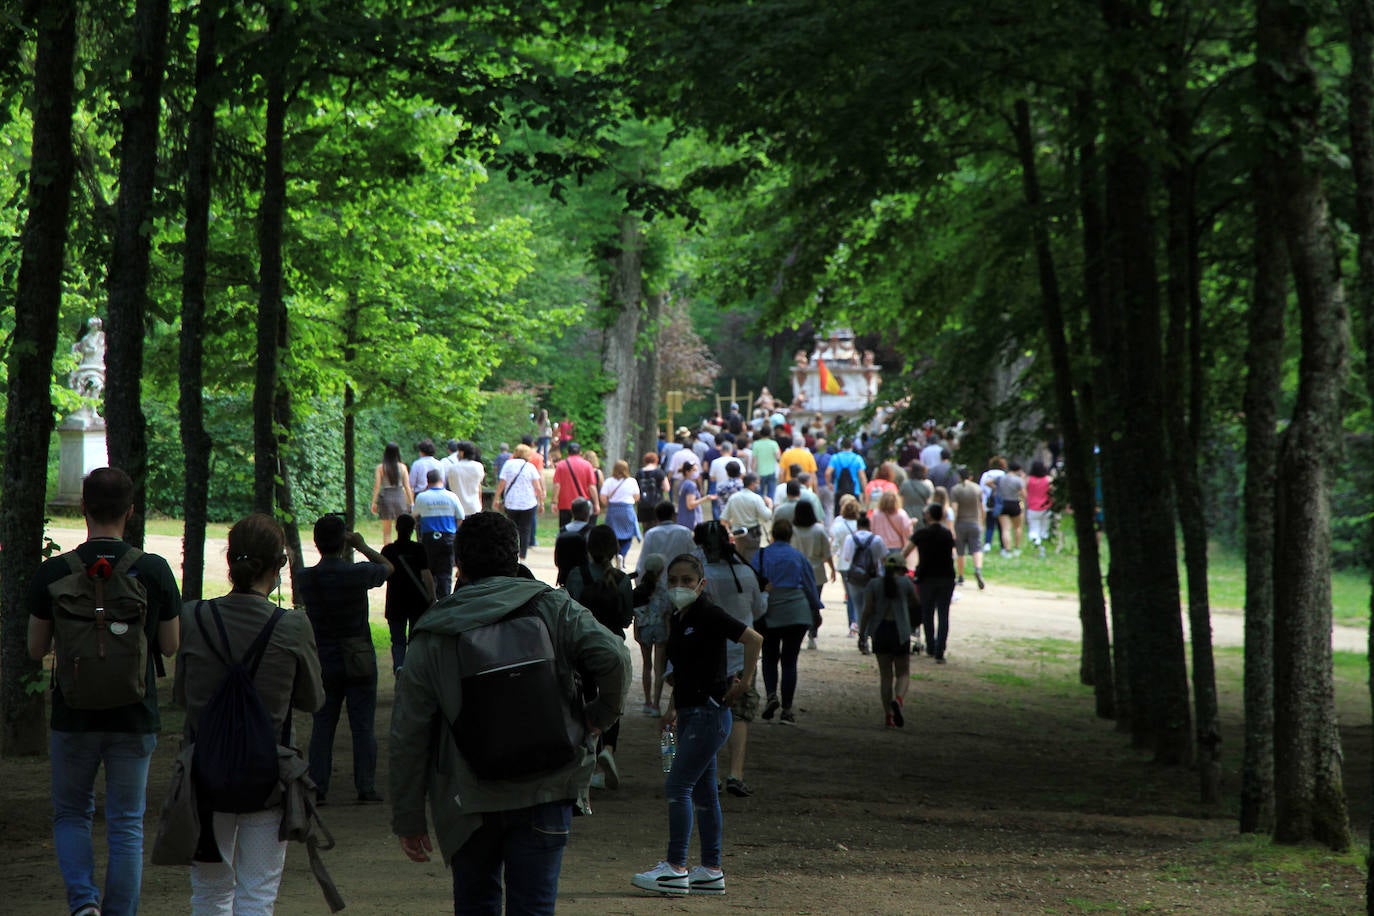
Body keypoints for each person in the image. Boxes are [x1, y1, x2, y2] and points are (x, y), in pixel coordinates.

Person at [391, 512, 631, 914]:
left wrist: (409, 816)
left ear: (458, 565)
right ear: (516, 555)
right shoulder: (553, 607)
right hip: (547, 786)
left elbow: (409, 732)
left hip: (467, 798)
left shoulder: (433, 632)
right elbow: (616, 658)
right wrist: (598, 716)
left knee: (476, 903)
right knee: (535, 907)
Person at [27, 468, 181, 916]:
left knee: (72, 814)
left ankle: (83, 904)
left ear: (83, 509)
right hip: (135, 716)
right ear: (130, 513)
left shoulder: (53, 573)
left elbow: (36, 649)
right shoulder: (152, 570)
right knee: (126, 824)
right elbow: (170, 647)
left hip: (72, 717)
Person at [172, 513, 325, 912]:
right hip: (268, 773)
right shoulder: (292, 626)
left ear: (230, 562)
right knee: (258, 893)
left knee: (208, 892)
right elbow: (312, 700)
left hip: (204, 773)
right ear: (278, 566)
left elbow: (182, 697)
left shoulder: (193, 617)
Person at [632, 554, 762, 897]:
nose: (679, 586)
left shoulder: (708, 612)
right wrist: (671, 708)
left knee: (678, 786)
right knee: (704, 794)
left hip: (710, 712)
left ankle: (675, 867)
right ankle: (710, 869)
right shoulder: (679, 616)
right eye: (673, 580)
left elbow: (753, 639)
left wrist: (745, 682)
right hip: (690, 712)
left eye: (687, 580)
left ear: (701, 583)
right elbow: (683, 669)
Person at [298, 515, 393, 805]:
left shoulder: (305, 577)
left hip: (323, 658)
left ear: (316, 543)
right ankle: (365, 786)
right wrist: (362, 545)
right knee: (362, 725)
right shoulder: (356, 573)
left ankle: (319, 787)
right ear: (343, 541)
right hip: (358, 656)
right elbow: (388, 568)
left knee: (323, 726)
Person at [696, 521, 764, 798]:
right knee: (739, 716)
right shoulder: (747, 574)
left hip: (708, 657)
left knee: (706, 714)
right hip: (741, 657)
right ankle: (736, 773)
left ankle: (706, 774)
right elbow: (758, 610)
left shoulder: (701, 577)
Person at [565, 525, 635, 789]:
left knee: (583, 700)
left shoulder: (576, 575)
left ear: (588, 548)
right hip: (613, 646)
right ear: (616, 549)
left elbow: (569, 610)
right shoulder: (622, 579)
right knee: (611, 702)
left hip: (582, 648)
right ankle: (610, 749)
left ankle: (587, 756)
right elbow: (627, 618)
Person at [750, 519, 821, 724]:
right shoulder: (798, 557)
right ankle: (787, 710)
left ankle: (771, 695)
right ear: (790, 536)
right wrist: (816, 610)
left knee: (770, 657)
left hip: (769, 610)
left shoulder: (761, 555)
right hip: (796, 612)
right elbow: (809, 585)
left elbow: (753, 581)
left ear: (772, 534)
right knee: (790, 661)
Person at [859, 553, 920, 728]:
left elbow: (868, 610)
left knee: (886, 675)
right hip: (900, 631)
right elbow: (916, 603)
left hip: (880, 631)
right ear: (902, 568)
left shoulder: (874, 584)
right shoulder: (906, 583)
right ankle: (899, 699)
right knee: (903, 672)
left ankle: (888, 715)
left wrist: (862, 634)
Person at [903, 504, 958, 663]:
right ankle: (940, 650)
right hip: (946, 577)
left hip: (926, 577)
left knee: (927, 613)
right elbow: (952, 552)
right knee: (943, 614)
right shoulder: (947, 534)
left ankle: (931, 647)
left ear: (928, 516)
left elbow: (906, 552)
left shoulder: (921, 534)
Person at [381, 514, 435, 672]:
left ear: (396, 528)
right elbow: (427, 576)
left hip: (395, 601)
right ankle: (412, 671)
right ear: (413, 529)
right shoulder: (419, 549)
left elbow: (383, 575)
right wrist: (432, 597)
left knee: (397, 641)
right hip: (417, 601)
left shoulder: (388, 550)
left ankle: (399, 668)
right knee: (416, 640)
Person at [414, 468, 465, 600]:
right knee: (446, 572)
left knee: (428, 570)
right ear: (441, 480)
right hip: (448, 537)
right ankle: (445, 600)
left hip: (428, 538)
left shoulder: (422, 497)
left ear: (427, 481)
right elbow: (460, 517)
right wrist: (454, 531)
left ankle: (429, 598)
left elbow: (414, 516)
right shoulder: (452, 496)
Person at [791, 500, 834, 650]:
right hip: (816, 572)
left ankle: (799, 633)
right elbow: (827, 553)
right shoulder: (819, 529)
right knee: (814, 603)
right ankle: (812, 634)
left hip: (796, 572)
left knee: (799, 604)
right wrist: (833, 569)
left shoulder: (792, 529)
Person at [632, 553, 671, 717]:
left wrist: (636, 632)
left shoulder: (639, 590)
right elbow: (667, 613)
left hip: (644, 629)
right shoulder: (664, 590)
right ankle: (656, 705)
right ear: (662, 570)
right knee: (659, 667)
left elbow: (635, 613)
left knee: (646, 665)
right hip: (660, 628)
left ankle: (647, 702)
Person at [495, 443, 545, 559]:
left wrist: (496, 498)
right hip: (528, 502)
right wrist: (541, 502)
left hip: (511, 502)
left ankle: (512, 553)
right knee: (525, 529)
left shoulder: (508, 464)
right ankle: (522, 555)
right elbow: (537, 487)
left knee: (512, 529)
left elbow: (502, 483)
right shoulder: (530, 467)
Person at [829, 495, 863, 636]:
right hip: (861, 564)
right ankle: (860, 623)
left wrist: (834, 555)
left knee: (850, 595)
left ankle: (852, 624)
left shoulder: (838, 525)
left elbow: (834, 546)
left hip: (845, 564)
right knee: (861, 595)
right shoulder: (861, 525)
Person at [721, 472, 772, 563]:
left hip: (737, 534)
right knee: (752, 561)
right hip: (753, 535)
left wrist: (729, 533)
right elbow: (766, 516)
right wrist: (770, 504)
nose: (758, 485)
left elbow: (723, 519)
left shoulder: (734, 497)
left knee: (739, 559)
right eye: (757, 483)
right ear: (752, 484)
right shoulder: (756, 498)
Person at [370, 441, 414, 545]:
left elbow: (377, 486)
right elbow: (407, 486)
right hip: (400, 498)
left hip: (386, 498)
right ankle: (401, 552)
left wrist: (374, 502)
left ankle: (387, 556)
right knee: (402, 529)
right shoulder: (403, 467)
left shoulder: (380, 467)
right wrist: (411, 502)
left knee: (386, 532)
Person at [552, 442, 601, 531]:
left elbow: (557, 485)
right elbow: (592, 486)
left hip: (565, 503)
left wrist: (554, 502)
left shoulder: (561, 465)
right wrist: (596, 504)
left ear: (568, 452)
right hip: (582, 503)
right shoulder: (587, 465)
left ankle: (564, 544)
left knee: (564, 529)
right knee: (584, 530)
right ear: (580, 452)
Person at [950, 473, 987, 589]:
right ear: (970, 476)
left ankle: (961, 576)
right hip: (975, 522)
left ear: (958, 477)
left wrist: (952, 525)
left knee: (960, 551)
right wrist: (982, 522)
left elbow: (955, 509)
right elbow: (982, 507)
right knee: (977, 548)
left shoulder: (955, 489)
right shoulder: (977, 488)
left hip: (960, 523)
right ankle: (978, 569)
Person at [601, 459, 641, 561]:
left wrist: (609, 504)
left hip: (613, 510)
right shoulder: (632, 481)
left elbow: (603, 498)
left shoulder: (609, 481)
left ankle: (616, 553)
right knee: (628, 534)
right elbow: (637, 497)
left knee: (613, 534)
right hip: (627, 509)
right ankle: (622, 555)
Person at [552, 497, 593, 586]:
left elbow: (557, 557)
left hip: (565, 577)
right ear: (587, 513)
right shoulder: (591, 532)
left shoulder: (562, 531)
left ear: (572, 513)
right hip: (585, 577)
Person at [826, 437, 868, 513]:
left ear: (842, 446)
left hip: (839, 490)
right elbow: (862, 477)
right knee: (854, 514)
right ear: (852, 446)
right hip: (854, 490)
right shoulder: (857, 458)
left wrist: (829, 484)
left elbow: (828, 473)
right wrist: (865, 492)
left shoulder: (835, 457)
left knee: (838, 514)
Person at [445, 440, 486, 519]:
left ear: (461, 452)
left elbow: (451, 486)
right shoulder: (478, 466)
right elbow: (479, 483)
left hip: (457, 508)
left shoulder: (453, 468)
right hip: (474, 507)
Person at [870, 489, 914, 554]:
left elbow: (872, 529)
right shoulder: (901, 514)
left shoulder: (876, 514)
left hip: (879, 544)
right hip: (896, 545)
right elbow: (906, 530)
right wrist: (911, 524)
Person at [1025, 459, 1055, 555]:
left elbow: (1024, 492)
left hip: (1032, 507)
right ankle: (1043, 550)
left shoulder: (1028, 480)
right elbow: (1053, 492)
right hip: (1046, 507)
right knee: (1045, 529)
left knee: (1033, 529)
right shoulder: (1048, 480)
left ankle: (1036, 544)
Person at [676, 460, 715, 530]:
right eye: (694, 470)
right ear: (687, 472)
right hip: (691, 520)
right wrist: (706, 498)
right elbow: (690, 505)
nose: (696, 472)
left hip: (682, 518)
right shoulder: (691, 485)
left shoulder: (681, 483)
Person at [998, 461, 1027, 556]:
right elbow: (1024, 495)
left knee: (1005, 529)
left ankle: (1007, 550)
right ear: (1018, 470)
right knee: (1017, 527)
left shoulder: (1001, 478)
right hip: (1015, 503)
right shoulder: (1018, 480)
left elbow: (988, 482)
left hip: (1003, 504)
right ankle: (1017, 548)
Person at [635, 451, 670, 527]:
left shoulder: (639, 473)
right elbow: (667, 488)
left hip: (643, 504)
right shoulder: (659, 472)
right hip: (657, 503)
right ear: (656, 460)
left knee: (646, 526)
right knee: (657, 526)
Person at [751, 424, 782, 500]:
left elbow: (754, 461)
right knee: (771, 493)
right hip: (771, 471)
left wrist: (753, 472)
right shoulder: (774, 443)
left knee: (760, 493)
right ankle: (770, 508)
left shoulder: (756, 444)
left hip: (760, 472)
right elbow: (778, 458)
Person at [899, 461, 933, 525]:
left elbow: (900, 501)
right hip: (922, 514)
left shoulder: (905, 484)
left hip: (907, 514)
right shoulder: (926, 486)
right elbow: (928, 503)